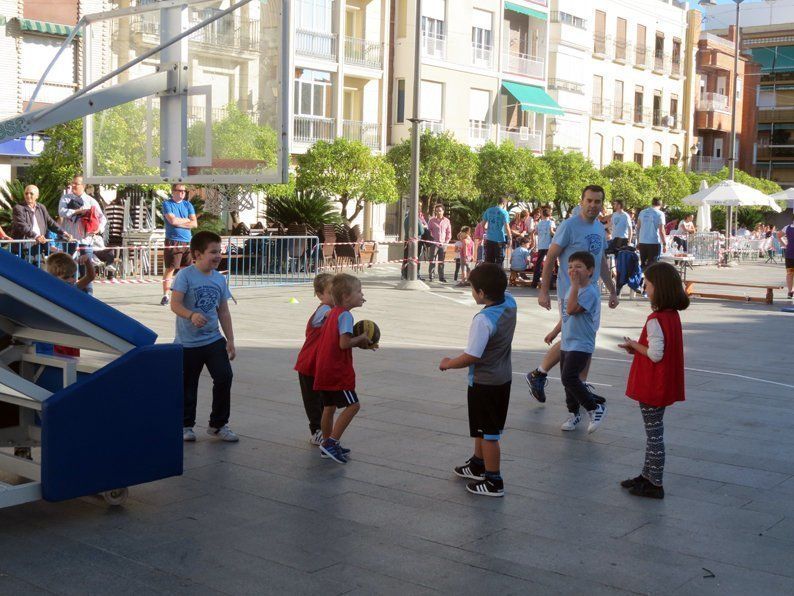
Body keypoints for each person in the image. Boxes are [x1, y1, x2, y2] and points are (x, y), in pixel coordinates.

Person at [440, 263, 517, 497]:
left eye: (473, 289)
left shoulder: (483, 320)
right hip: (502, 377)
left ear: (482, 293)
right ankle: (477, 464)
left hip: (486, 383)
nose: (472, 292)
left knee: (490, 434)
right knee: (481, 429)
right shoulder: (510, 303)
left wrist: (448, 363)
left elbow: (472, 355)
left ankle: (494, 480)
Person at [619, 262, 689, 499]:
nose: (645, 288)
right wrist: (638, 348)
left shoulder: (656, 319)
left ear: (658, 288)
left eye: (647, 284)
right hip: (664, 383)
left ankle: (655, 482)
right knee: (654, 432)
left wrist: (634, 345)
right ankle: (647, 474)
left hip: (652, 385)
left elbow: (656, 353)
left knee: (654, 435)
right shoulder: (672, 316)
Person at [170, 231, 238, 443]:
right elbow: (175, 305)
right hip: (187, 342)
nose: (218, 256)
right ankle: (185, 425)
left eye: (220, 251)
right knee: (188, 385)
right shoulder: (185, 276)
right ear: (197, 254)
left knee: (224, 376)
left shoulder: (219, 279)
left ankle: (218, 425)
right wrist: (191, 315)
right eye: (213, 252)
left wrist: (230, 340)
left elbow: (223, 311)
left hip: (212, 339)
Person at [314, 274, 375, 464]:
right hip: (337, 371)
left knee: (329, 407)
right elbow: (344, 343)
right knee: (353, 405)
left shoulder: (332, 312)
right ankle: (331, 442)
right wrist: (362, 338)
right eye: (359, 291)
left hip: (323, 369)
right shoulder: (346, 315)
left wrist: (362, 343)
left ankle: (326, 443)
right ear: (347, 296)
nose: (362, 294)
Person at [558, 251, 607, 433]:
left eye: (579, 267)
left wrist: (575, 286)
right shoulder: (574, 289)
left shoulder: (589, 292)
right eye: (570, 266)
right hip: (567, 341)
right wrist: (555, 331)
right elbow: (565, 314)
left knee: (569, 377)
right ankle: (574, 413)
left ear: (590, 271)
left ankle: (595, 408)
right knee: (568, 381)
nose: (573, 270)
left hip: (581, 343)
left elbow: (571, 309)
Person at [294, 273, 334, 446]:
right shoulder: (325, 310)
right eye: (332, 292)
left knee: (324, 400)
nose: (336, 295)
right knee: (313, 401)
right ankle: (316, 431)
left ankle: (324, 431)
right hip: (308, 364)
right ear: (320, 295)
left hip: (320, 365)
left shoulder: (332, 310)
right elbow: (332, 318)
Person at [12, 185, 73, 261]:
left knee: (39, 271)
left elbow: (51, 223)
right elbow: (22, 226)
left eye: (31, 193)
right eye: (26, 193)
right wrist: (36, 236)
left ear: (37, 196)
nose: (28, 195)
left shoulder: (41, 207)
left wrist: (63, 233)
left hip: (39, 246)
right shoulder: (18, 208)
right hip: (24, 247)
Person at [160, 183, 197, 306]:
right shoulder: (167, 204)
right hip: (173, 240)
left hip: (187, 240)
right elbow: (172, 220)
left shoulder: (188, 204)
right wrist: (186, 220)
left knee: (187, 269)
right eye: (180, 190)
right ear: (173, 192)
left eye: (184, 191)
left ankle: (185, 294)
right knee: (171, 267)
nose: (182, 193)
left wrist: (180, 223)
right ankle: (166, 295)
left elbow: (194, 223)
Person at [59, 175, 107, 252]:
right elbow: (61, 212)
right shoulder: (65, 198)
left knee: (85, 263)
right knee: (69, 264)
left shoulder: (91, 201)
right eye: (72, 183)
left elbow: (103, 218)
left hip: (85, 241)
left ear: (83, 186)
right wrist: (77, 211)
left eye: (76, 184)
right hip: (69, 240)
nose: (73, 185)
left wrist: (98, 229)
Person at [636, 199, 667, 269]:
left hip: (643, 242)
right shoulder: (660, 213)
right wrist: (665, 244)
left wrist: (638, 241)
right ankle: (651, 279)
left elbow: (638, 228)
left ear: (652, 203)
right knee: (653, 267)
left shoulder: (642, 212)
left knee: (643, 265)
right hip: (654, 242)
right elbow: (661, 230)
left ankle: (643, 279)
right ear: (660, 205)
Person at [482, 197, 511, 265]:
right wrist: (510, 238)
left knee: (489, 261)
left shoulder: (488, 210)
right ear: (504, 203)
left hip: (489, 239)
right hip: (499, 240)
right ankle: (497, 275)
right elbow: (507, 226)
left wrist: (488, 229)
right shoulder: (504, 212)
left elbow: (483, 224)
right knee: (499, 261)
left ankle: (489, 275)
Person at [427, 204, 452, 282]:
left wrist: (446, 242)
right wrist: (431, 239)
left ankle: (441, 277)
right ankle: (431, 276)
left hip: (443, 244)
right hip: (434, 243)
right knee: (432, 260)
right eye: (436, 211)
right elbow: (428, 231)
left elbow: (449, 233)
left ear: (443, 211)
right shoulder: (431, 220)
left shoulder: (447, 221)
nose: (438, 212)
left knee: (441, 261)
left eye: (440, 211)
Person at [532, 207, 555, 288]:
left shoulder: (539, 223)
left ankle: (534, 282)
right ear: (549, 214)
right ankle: (550, 283)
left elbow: (535, 232)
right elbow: (551, 232)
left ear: (542, 214)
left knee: (538, 264)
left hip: (541, 245)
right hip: (548, 245)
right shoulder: (550, 222)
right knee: (550, 264)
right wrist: (557, 235)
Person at [401, 209, 427, 280]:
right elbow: (421, 231)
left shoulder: (406, 219)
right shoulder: (417, 219)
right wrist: (424, 227)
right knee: (416, 258)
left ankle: (404, 274)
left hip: (407, 241)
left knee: (406, 258)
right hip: (417, 242)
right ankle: (416, 275)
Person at [778, 216, 794, 299]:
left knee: (790, 273)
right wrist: (784, 244)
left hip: (790, 254)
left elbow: (779, 235)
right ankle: (790, 291)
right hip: (790, 254)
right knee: (790, 273)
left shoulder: (787, 228)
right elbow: (779, 235)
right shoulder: (787, 227)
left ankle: (791, 290)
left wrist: (784, 244)